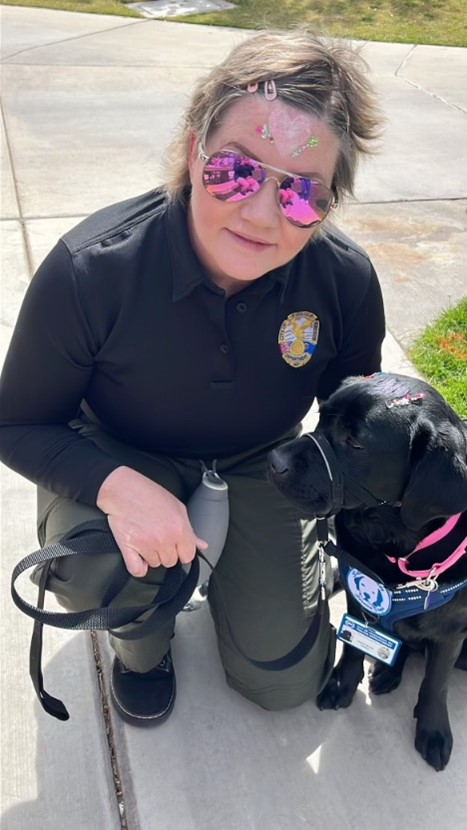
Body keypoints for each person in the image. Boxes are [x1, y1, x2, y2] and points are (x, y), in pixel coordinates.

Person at [0, 28, 385, 726]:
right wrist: (116, 489)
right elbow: (17, 422)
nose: (260, 214)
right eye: (235, 171)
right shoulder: (91, 271)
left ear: (328, 205)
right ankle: (141, 647)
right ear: (191, 152)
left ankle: (263, 578)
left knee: (283, 684)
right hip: (122, 448)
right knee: (100, 569)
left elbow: (351, 420)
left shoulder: (345, 280)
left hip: (264, 461)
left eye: (302, 194)